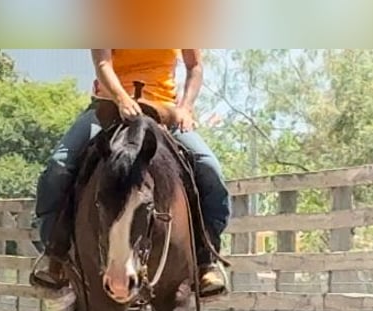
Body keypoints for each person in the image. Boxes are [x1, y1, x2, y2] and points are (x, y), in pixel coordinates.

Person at [29, 49, 230, 297]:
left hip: (164, 111)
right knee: (58, 167)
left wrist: (186, 107)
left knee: (209, 168)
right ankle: (54, 254)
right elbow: (102, 62)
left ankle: (206, 260)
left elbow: (195, 66)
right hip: (109, 107)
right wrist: (122, 98)